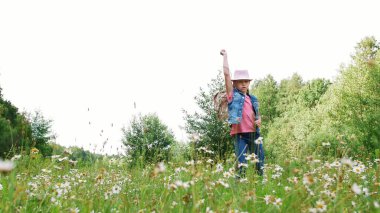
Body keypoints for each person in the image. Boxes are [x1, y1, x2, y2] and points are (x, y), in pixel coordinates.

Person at [220, 49, 264, 177]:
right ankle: (239, 187)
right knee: (242, 164)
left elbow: (257, 115)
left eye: (246, 81)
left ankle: (259, 185)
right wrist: (225, 57)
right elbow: (227, 74)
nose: (244, 84)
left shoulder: (253, 99)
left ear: (249, 83)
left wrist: (259, 120)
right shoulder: (232, 96)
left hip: (254, 134)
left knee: (260, 163)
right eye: (240, 81)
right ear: (234, 83)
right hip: (240, 135)